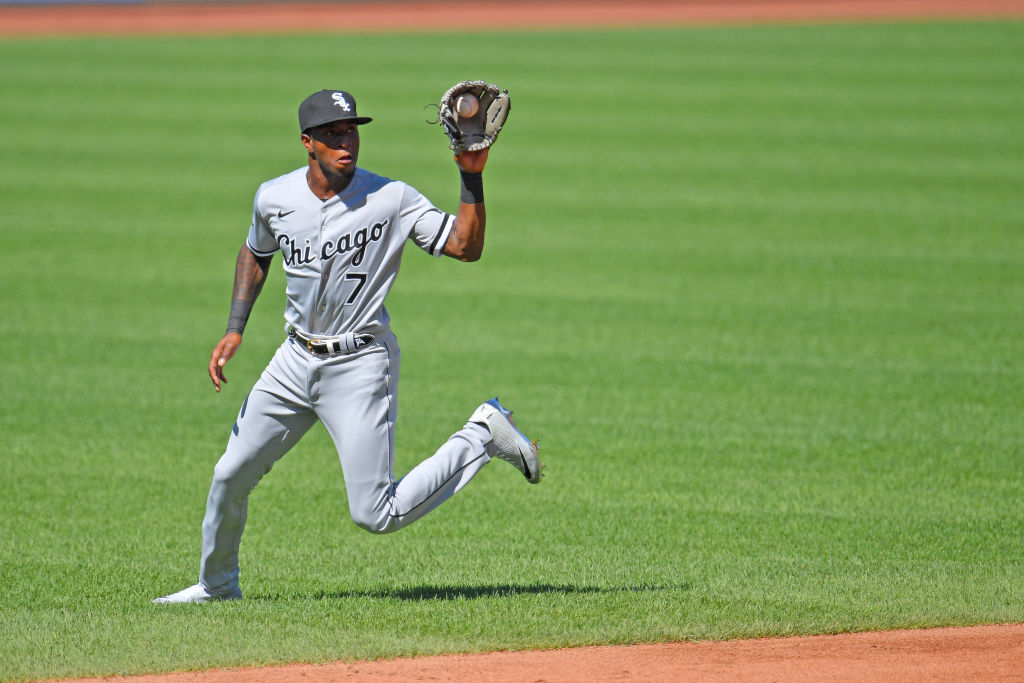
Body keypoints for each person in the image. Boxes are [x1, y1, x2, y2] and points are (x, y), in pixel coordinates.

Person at [154, 89, 542, 604]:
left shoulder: (392, 198)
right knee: (229, 475)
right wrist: (235, 327)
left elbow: (464, 247)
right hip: (293, 361)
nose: (346, 142)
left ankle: (481, 435)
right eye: (334, 134)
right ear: (307, 143)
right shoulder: (274, 197)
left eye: (352, 130)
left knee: (375, 514)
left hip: (360, 364)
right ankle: (217, 586)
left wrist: (472, 174)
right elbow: (256, 251)